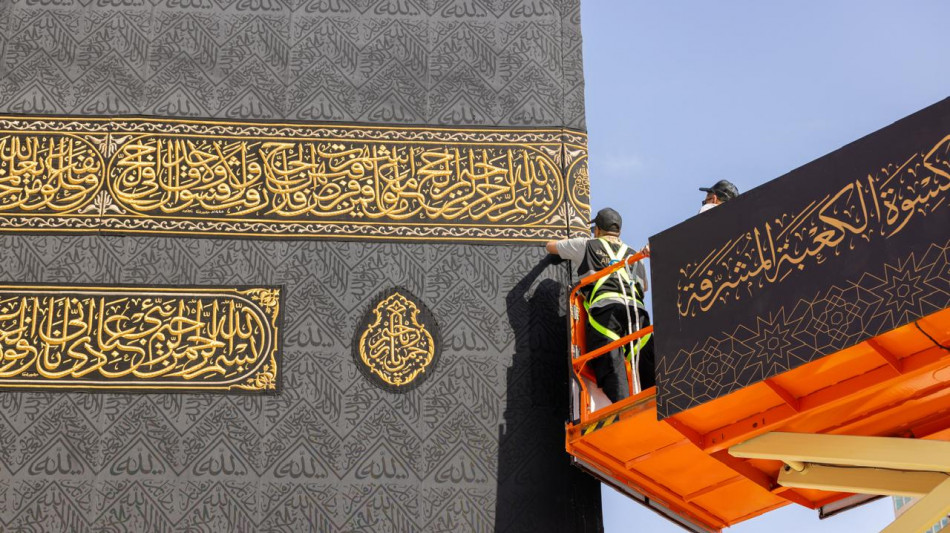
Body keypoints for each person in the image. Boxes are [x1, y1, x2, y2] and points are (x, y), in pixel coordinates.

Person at [545, 207, 655, 402]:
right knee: (647, 363)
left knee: (610, 363)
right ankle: (659, 405)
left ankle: (623, 408)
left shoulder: (586, 245)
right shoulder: (635, 255)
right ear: (619, 231)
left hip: (607, 313)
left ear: (597, 230)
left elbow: (550, 247)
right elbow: (643, 287)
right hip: (637, 314)